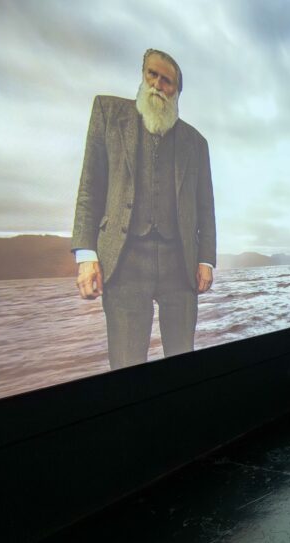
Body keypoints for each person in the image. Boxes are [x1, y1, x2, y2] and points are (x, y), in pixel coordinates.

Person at [71, 49, 216, 370]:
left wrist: (205, 259)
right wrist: (86, 254)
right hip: (125, 261)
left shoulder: (196, 142)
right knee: (126, 365)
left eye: (167, 81)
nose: (157, 85)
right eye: (152, 75)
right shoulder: (108, 114)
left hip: (181, 263)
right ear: (142, 75)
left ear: (177, 91)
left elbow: (206, 206)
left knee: (182, 361)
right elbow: (89, 186)